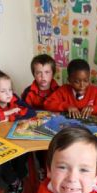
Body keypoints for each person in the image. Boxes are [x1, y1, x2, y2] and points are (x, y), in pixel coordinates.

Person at [22, 54, 60, 182]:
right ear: (33, 74)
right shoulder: (28, 92)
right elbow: (24, 111)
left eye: (47, 72)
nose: (43, 77)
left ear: (53, 73)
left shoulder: (59, 90)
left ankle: (53, 168)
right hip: (36, 128)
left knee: (55, 149)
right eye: (39, 73)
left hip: (54, 128)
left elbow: (63, 109)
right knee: (39, 150)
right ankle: (42, 170)